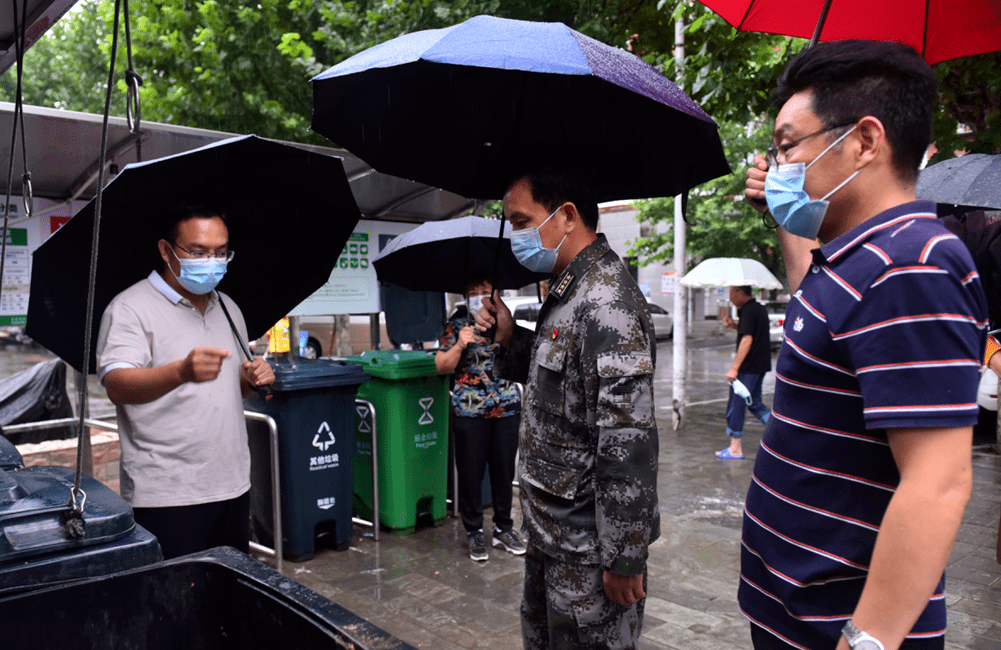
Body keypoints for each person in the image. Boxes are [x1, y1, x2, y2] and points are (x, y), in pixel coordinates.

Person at [741, 41, 987, 650]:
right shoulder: (856, 258)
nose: (779, 166)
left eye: (788, 145)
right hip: (792, 613)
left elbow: (939, 480)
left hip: (838, 628)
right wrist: (784, 214)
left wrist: (868, 638)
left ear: (865, 140)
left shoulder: (912, 264)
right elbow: (817, 309)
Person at [475, 167, 660, 650]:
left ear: (566, 216)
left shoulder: (606, 301)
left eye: (521, 220)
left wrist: (624, 557)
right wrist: (510, 337)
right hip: (551, 535)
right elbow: (563, 384)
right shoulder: (569, 289)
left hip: (588, 553)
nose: (516, 234)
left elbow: (628, 442)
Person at [96, 204, 275, 560]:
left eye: (221, 252)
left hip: (232, 485)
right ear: (166, 250)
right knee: (175, 604)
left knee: (230, 596)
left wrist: (251, 380)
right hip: (167, 494)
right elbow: (116, 384)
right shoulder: (130, 308)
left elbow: (229, 389)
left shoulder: (229, 307)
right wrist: (181, 372)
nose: (213, 261)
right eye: (199, 252)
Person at [436, 277, 525, 562]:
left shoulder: (506, 320)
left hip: (506, 408)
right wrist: (460, 345)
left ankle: (503, 528)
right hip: (469, 411)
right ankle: (474, 531)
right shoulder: (457, 323)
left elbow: (523, 359)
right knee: (471, 474)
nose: (478, 297)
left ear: (496, 293)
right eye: (472, 292)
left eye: (484, 291)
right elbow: (442, 366)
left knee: (503, 473)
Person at [718, 285, 771, 460]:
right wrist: (734, 325)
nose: (730, 297)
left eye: (732, 293)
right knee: (755, 404)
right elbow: (749, 332)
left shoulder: (748, 311)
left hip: (748, 367)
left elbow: (747, 339)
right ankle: (783, 430)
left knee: (736, 404)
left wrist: (734, 368)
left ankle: (735, 448)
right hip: (760, 365)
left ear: (741, 293)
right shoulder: (758, 309)